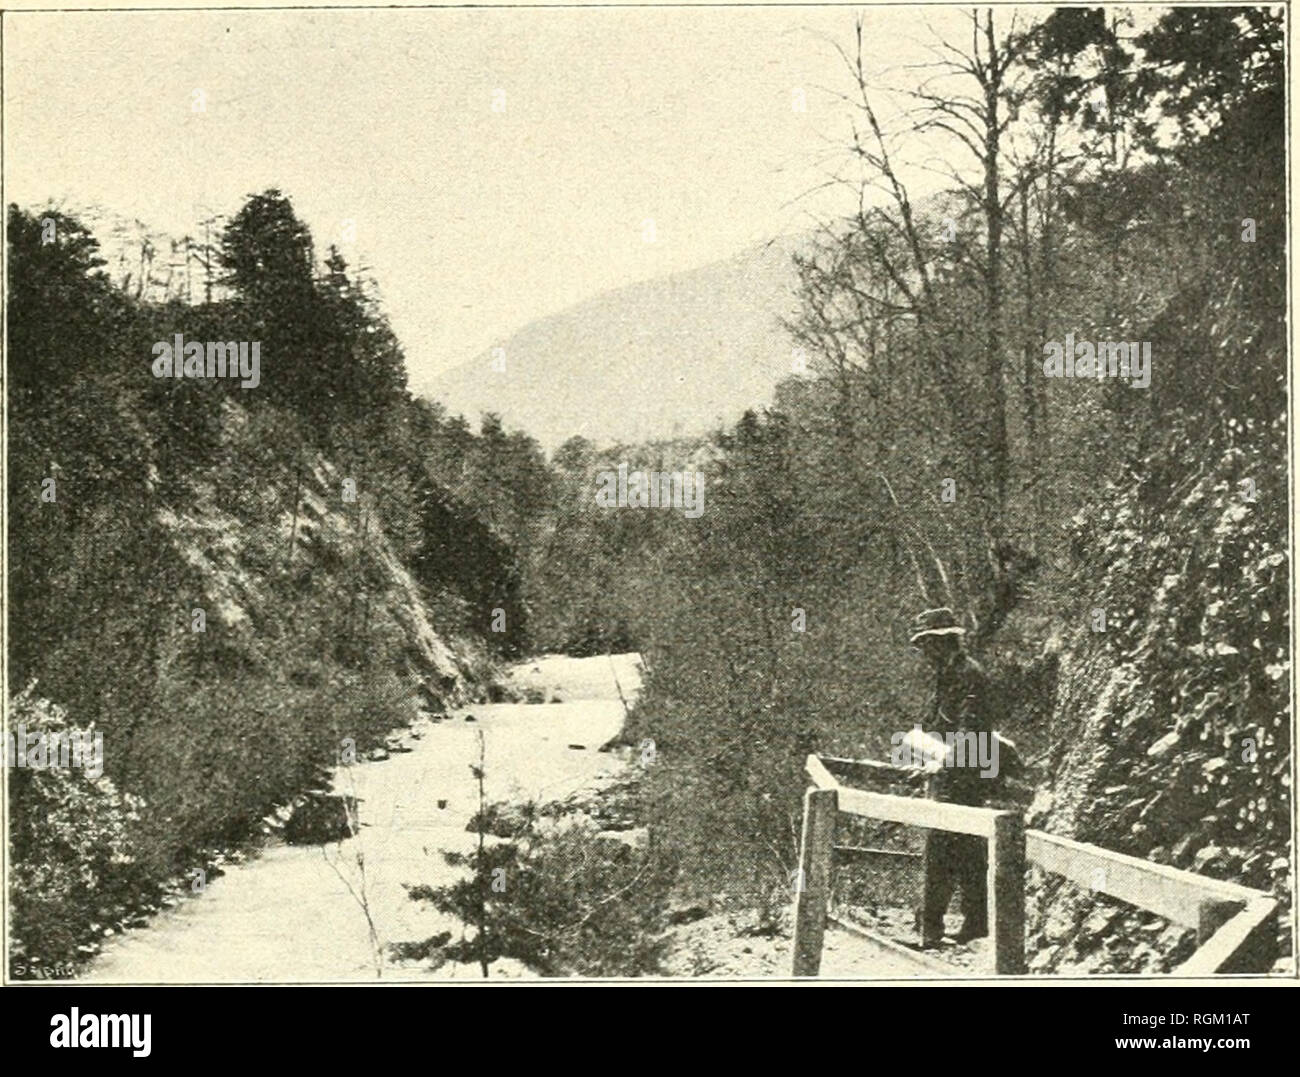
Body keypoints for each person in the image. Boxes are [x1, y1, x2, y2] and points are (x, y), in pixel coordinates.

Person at [908, 607, 1001, 946]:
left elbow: (971, 731)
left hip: (969, 773)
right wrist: (920, 757)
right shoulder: (945, 675)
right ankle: (974, 922)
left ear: (944, 642)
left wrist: (942, 763)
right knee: (964, 851)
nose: (925, 653)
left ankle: (930, 929)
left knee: (942, 847)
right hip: (949, 770)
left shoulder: (969, 674)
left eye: (928, 644)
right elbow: (934, 720)